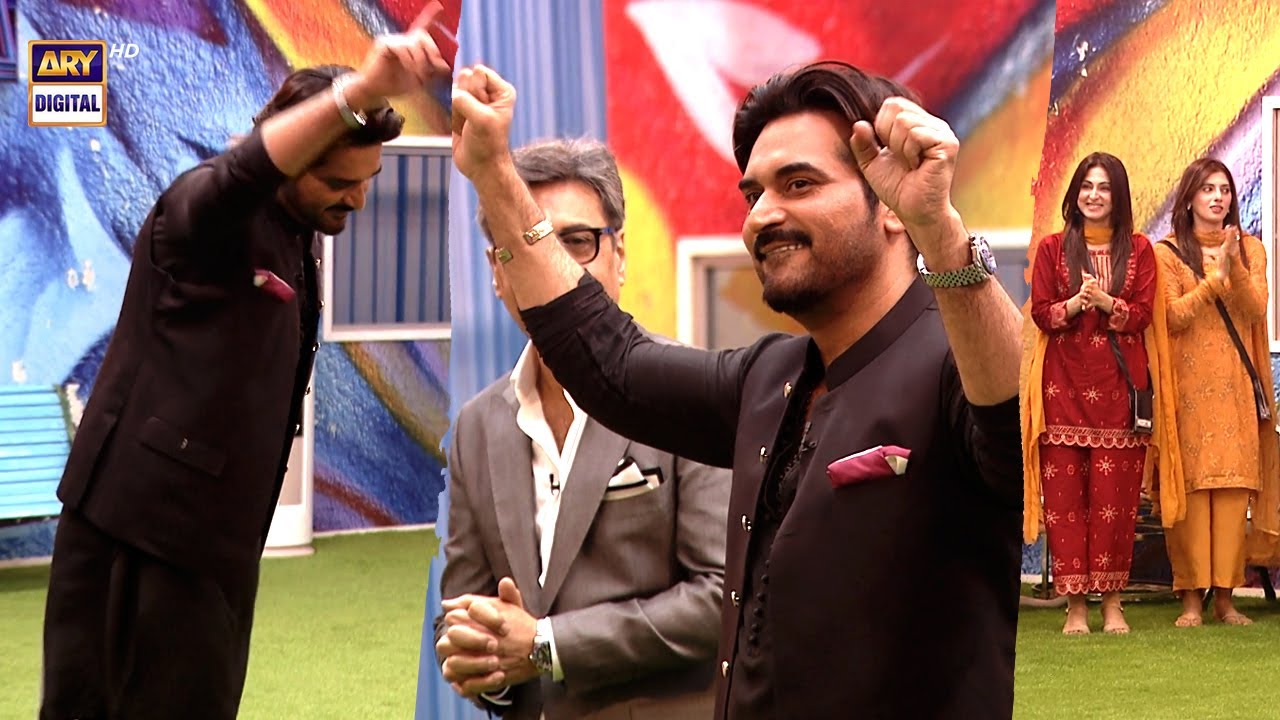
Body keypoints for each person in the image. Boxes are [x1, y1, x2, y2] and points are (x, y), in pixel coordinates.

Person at [446, 56, 1025, 718]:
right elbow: (609, 364)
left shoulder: (954, 363)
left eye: (799, 184)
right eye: (754, 195)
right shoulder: (769, 379)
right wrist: (494, 173)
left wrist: (942, 232)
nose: (763, 216)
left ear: (891, 206)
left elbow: (1015, 433)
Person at [39, 31, 449, 719]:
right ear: (284, 159)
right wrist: (360, 90)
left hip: (215, 545)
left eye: (366, 181)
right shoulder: (202, 218)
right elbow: (240, 176)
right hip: (137, 535)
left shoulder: (294, 230)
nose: (357, 199)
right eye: (338, 183)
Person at [432, 138, 729, 719]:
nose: (549, 262)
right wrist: (481, 656)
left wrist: (545, 647)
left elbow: (723, 595)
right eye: (522, 243)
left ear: (620, 255)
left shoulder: (688, 392)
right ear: (496, 272)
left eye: (576, 241)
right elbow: (465, 607)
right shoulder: (476, 426)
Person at [1021, 152, 1179, 635]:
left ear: (1118, 196)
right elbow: (1042, 312)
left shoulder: (1140, 249)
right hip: (1062, 387)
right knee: (1066, 501)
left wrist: (1109, 302)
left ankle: (1112, 601)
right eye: (1087, 186)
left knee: (1116, 501)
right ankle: (1076, 606)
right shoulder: (1052, 248)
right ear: (1075, 194)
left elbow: (1144, 313)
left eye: (1104, 187)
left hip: (1119, 389)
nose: (1094, 195)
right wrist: (1074, 304)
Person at [1155, 157, 1280, 627]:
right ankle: (1190, 600)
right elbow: (1172, 316)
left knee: (1231, 491)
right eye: (1207, 189)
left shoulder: (1251, 249)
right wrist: (1213, 281)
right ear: (1189, 199)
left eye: (1224, 190)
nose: (1217, 197)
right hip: (1186, 390)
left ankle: (1226, 600)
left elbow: (1255, 309)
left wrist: (1234, 267)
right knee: (1191, 492)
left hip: (1234, 388)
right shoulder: (1167, 253)